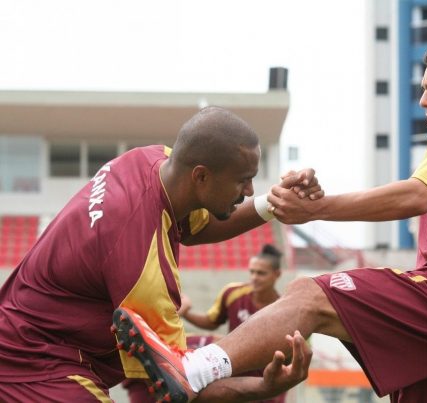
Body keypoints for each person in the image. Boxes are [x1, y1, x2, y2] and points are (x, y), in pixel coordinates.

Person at [117, 39, 427, 403]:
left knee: (309, 295)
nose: (424, 100)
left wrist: (317, 208)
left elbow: (415, 194)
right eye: (423, 89)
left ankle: (194, 369)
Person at [0, 106, 318, 401]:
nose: (249, 191)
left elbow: (198, 226)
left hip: (31, 341)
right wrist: (264, 387)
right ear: (201, 176)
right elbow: (179, 384)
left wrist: (275, 203)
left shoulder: (151, 160)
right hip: (35, 364)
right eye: (242, 180)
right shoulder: (140, 264)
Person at [124, 244, 287, 403]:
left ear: (277, 274)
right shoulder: (233, 293)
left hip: (259, 375)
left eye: (261, 273)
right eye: (252, 272)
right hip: (230, 366)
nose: (254, 278)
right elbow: (211, 321)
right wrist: (186, 312)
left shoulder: (282, 310)